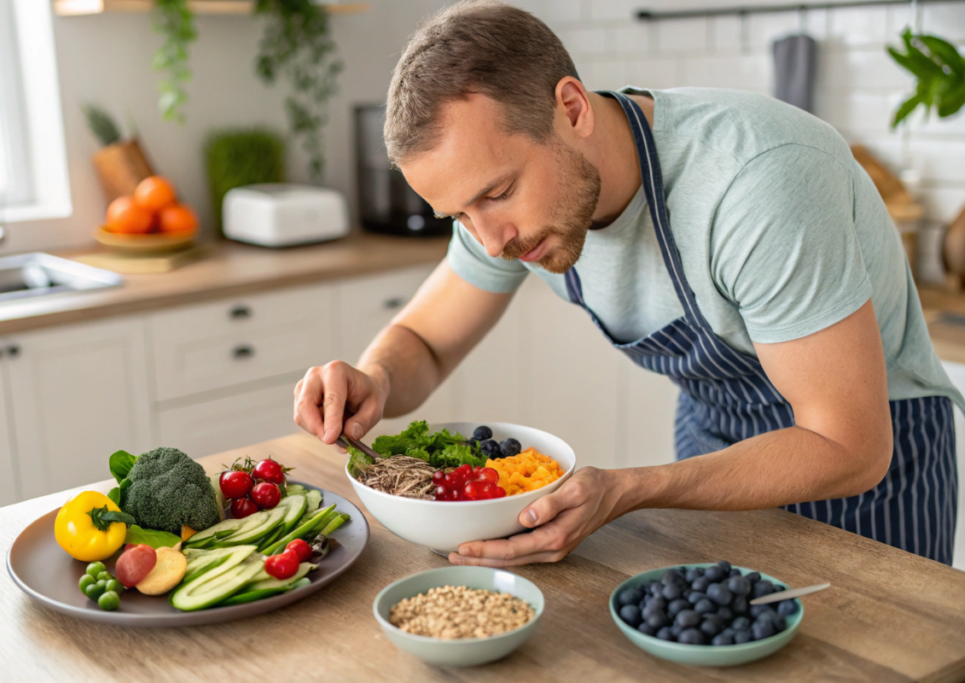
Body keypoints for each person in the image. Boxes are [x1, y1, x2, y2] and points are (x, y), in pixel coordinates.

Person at [294, 0, 961, 566]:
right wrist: (375, 378)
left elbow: (848, 443)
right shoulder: (504, 219)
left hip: (870, 483)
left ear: (572, 108)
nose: (490, 240)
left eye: (497, 192)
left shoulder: (755, 181)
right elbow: (426, 341)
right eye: (460, 213)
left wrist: (633, 487)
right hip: (712, 453)